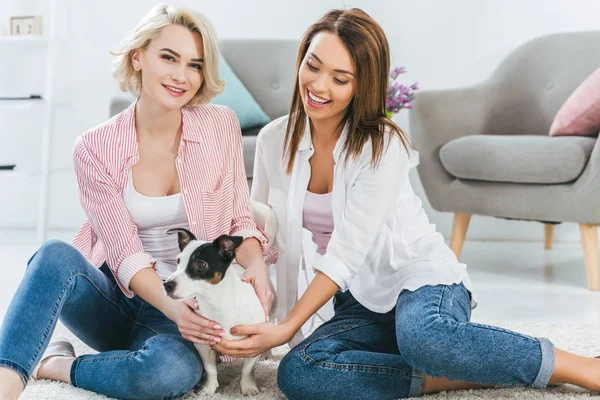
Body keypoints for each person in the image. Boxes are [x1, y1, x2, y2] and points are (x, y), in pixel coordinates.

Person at [212, 8, 600, 399]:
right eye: (312, 66)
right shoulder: (273, 139)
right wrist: (254, 287)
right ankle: (458, 374)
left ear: (361, 85)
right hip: (358, 299)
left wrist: (285, 326)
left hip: (419, 279)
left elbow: (346, 253)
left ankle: (579, 367)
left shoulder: (383, 144)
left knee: (426, 339)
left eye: (340, 78)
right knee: (300, 372)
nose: (319, 85)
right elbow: (257, 225)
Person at [0, 4, 274, 400]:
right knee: (53, 256)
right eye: (169, 57)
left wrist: (258, 267)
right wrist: (171, 307)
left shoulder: (221, 126)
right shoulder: (94, 148)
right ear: (138, 56)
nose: (181, 76)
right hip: (116, 299)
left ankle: (57, 365)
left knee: (166, 374)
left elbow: (239, 220)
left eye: (195, 65)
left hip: (187, 305)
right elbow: (124, 251)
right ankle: (6, 384)